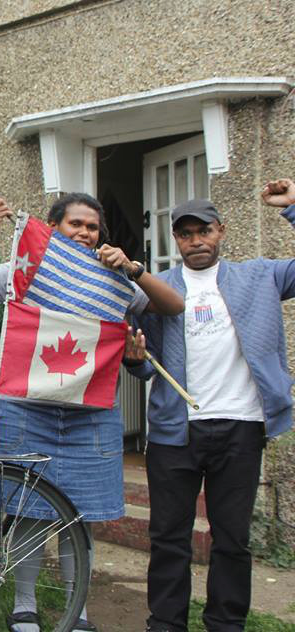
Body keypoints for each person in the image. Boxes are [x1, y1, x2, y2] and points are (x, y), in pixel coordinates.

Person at [0, 192, 184, 632]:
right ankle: (24, 606)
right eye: (75, 225)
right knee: (26, 510)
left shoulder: (116, 279)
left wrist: (133, 269)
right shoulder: (26, 270)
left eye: (92, 227)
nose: (85, 233)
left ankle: (77, 610)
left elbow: (173, 305)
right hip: (28, 409)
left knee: (78, 517)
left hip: (89, 414)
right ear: (53, 228)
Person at [129, 184, 295, 632]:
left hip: (241, 426)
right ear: (175, 240)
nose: (196, 240)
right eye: (186, 234)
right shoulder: (155, 289)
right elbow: (143, 367)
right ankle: (166, 623)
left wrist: (294, 208)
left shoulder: (261, 276)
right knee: (167, 539)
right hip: (174, 430)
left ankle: (226, 623)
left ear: (220, 231)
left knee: (233, 540)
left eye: (204, 230)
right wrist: (134, 359)